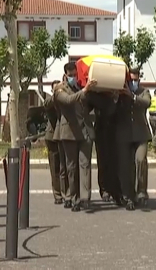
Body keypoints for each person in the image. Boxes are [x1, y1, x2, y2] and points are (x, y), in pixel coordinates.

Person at [54, 62, 99, 212]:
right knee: (71, 167)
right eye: (70, 75)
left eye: (75, 74)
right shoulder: (59, 89)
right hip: (69, 133)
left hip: (85, 131)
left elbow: (88, 105)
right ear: (65, 75)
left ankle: (85, 198)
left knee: (85, 165)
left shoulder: (81, 88)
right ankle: (73, 198)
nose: (73, 77)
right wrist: (85, 90)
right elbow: (68, 100)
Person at [115, 68, 152, 211]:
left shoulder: (144, 91)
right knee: (126, 165)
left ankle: (141, 192)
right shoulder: (120, 93)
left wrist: (132, 96)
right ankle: (128, 196)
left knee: (141, 160)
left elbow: (146, 103)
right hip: (124, 135)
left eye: (136, 80)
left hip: (141, 133)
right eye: (131, 80)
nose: (134, 82)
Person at [94, 90, 122, 204]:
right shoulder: (98, 97)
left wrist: (116, 98)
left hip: (115, 132)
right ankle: (105, 190)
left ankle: (116, 191)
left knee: (115, 163)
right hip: (101, 131)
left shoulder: (119, 97)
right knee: (103, 162)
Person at [44, 80, 69, 205]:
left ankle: (66, 193)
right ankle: (57, 195)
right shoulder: (51, 100)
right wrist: (56, 94)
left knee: (64, 166)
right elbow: (46, 104)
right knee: (55, 168)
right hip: (52, 136)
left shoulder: (65, 98)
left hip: (63, 136)